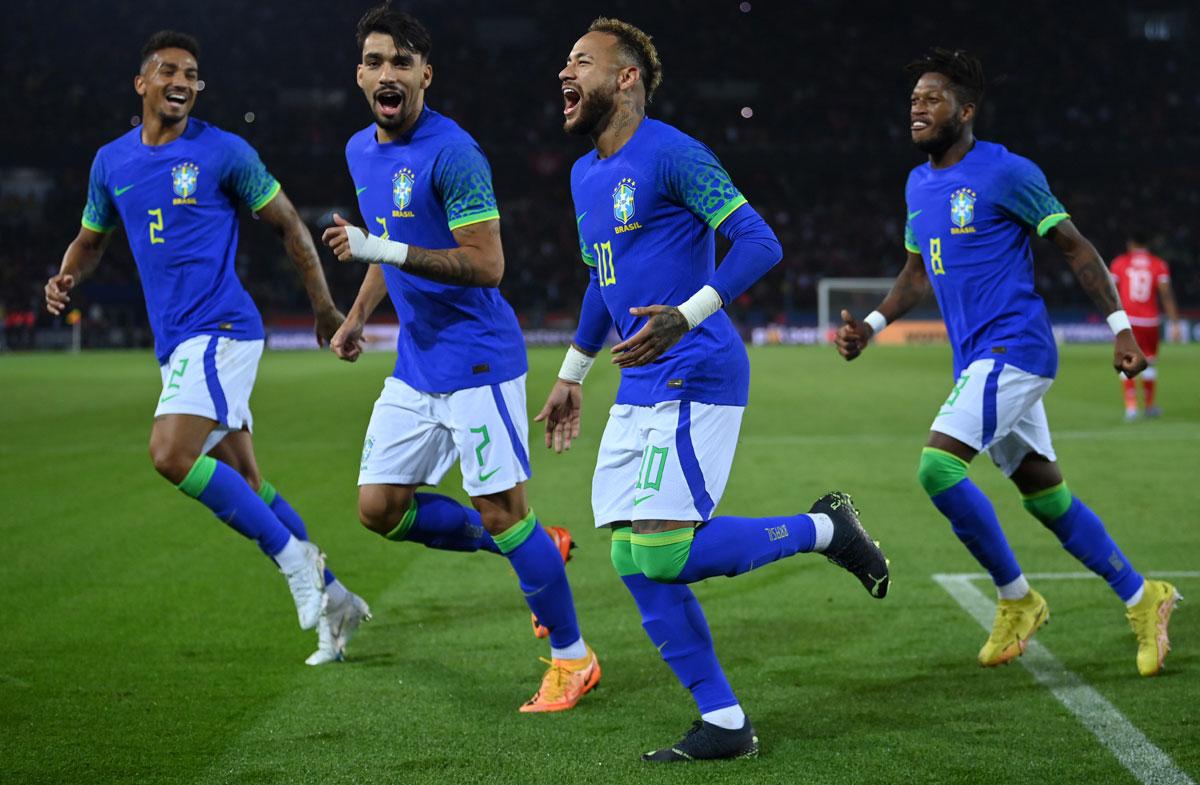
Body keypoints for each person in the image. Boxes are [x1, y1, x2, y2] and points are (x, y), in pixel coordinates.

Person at [536, 18, 890, 761]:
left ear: (626, 77)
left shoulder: (672, 153)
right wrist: (573, 373)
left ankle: (828, 528)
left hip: (697, 371)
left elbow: (761, 241)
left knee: (661, 554)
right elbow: (605, 281)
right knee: (633, 559)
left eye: (582, 62)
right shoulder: (584, 175)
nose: (565, 74)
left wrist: (686, 315)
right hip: (638, 386)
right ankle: (724, 720)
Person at [836, 48, 1180, 677]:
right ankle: (1144, 597)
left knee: (937, 469)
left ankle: (1018, 599)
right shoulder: (918, 184)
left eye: (932, 97)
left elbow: (1076, 250)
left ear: (966, 111)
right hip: (977, 360)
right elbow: (916, 274)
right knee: (1044, 494)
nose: (917, 106)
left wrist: (1122, 330)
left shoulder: (1007, 172)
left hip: (1015, 347)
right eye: (913, 97)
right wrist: (874, 325)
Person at [44, 30, 369, 665]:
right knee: (247, 481)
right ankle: (337, 601)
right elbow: (90, 240)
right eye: (169, 70)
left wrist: (325, 306)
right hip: (177, 344)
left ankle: (297, 565)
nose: (182, 82)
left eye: (192, 74)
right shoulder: (112, 163)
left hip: (221, 330)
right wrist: (65, 275)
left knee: (169, 453)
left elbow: (290, 226)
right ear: (142, 83)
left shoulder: (224, 152)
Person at [320, 5, 598, 713]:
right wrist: (356, 317)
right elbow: (387, 240)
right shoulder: (360, 151)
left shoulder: (454, 152)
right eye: (376, 61)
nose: (389, 74)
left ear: (425, 75)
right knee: (379, 508)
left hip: (478, 359)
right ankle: (539, 544)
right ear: (360, 74)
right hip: (417, 362)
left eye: (403, 63)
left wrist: (379, 249)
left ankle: (574, 657)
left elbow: (489, 263)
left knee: (503, 511)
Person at [1110, 234, 1182, 420]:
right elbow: (1166, 295)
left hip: (1128, 321)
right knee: (1149, 362)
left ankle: (1131, 408)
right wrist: (1174, 323)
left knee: (1127, 360)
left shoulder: (1120, 262)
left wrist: (1112, 317)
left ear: (1130, 244)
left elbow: (1110, 291)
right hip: (1150, 321)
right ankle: (1149, 406)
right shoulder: (1158, 264)